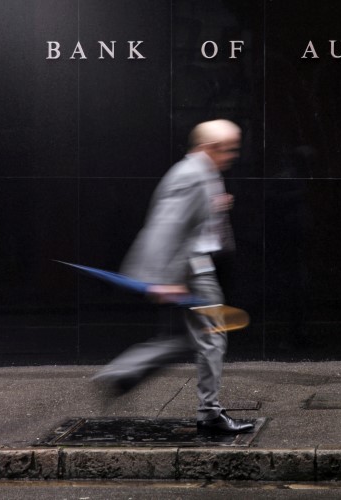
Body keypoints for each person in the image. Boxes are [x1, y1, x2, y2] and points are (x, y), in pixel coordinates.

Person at [93, 119, 253, 434]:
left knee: (195, 339)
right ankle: (209, 414)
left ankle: (125, 370)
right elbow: (167, 227)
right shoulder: (192, 175)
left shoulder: (201, 172)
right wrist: (165, 278)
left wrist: (216, 206)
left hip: (195, 266)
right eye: (228, 149)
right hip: (191, 268)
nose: (232, 155)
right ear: (209, 147)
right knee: (211, 338)